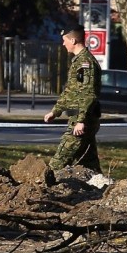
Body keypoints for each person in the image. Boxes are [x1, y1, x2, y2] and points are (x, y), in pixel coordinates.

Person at [44, 24, 102, 172]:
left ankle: (42, 188)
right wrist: (55, 111)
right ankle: (102, 190)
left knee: (59, 161)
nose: (63, 44)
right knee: (90, 165)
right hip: (81, 119)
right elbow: (70, 91)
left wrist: (81, 121)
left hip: (82, 121)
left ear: (73, 41)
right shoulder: (78, 62)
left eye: (65, 40)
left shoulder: (86, 63)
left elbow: (88, 94)